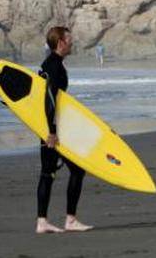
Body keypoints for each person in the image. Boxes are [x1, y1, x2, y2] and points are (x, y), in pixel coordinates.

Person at [35, 26, 93, 234]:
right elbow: (50, 98)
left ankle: (42, 222)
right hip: (54, 130)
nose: (72, 43)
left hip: (47, 126)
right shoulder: (54, 66)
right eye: (69, 39)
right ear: (60, 42)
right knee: (77, 170)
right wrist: (52, 131)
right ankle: (70, 219)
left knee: (47, 173)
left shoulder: (48, 64)